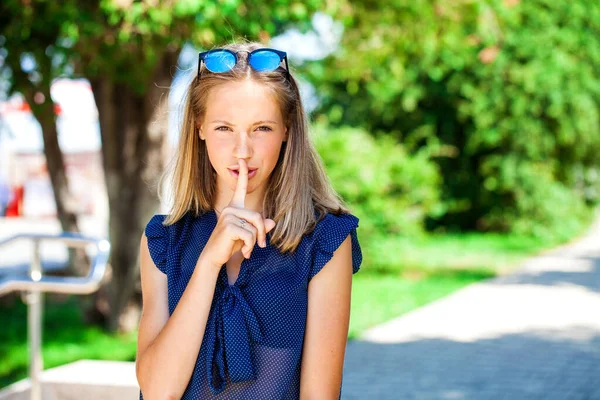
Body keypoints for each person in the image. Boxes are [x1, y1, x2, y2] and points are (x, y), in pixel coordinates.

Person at [135, 41, 362, 400]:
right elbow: (157, 391)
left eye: (262, 128)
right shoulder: (163, 242)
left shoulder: (324, 242)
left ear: (287, 129)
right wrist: (209, 263)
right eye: (225, 128)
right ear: (200, 127)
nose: (243, 149)